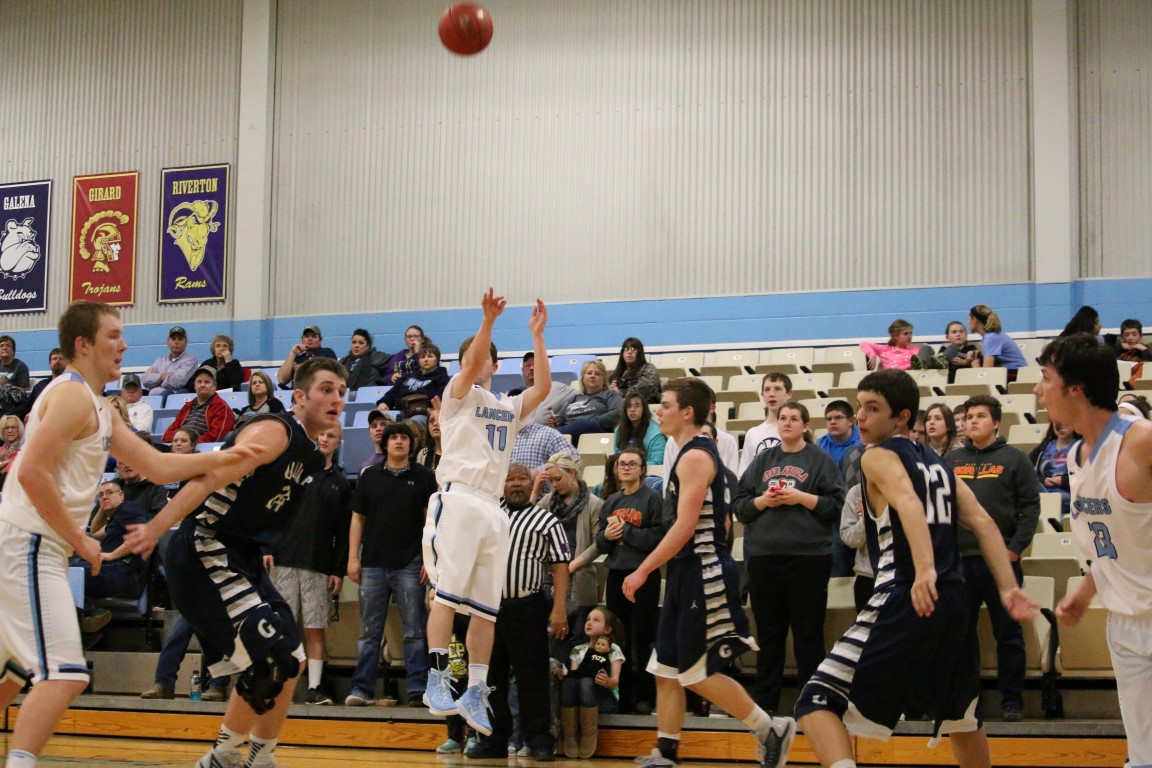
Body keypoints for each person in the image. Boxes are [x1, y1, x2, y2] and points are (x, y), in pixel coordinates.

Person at [0, 301, 251, 768]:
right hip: (28, 541)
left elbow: (157, 465)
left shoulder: (97, 405)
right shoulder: (71, 396)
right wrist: (82, 540)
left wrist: (227, 456)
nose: (124, 345)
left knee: (11, 675)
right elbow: (31, 472)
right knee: (65, 675)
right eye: (113, 336)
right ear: (83, 344)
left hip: (29, 543)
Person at [794, 369, 1036, 768]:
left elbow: (908, 502)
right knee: (964, 719)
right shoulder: (940, 464)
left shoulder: (876, 456)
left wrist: (924, 569)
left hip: (906, 592)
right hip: (953, 600)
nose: (861, 416)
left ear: (902, 417)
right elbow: (983, 522)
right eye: (859, 406)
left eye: (873, 408)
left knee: (815, 701)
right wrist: (1008, 588)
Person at [125, 356, 347, 768]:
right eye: (326, 389)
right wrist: (156, 527)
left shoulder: (312, 457)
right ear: (299, 396)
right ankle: (223, 758)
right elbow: (208, 477)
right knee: (269, 659)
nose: (337, 399)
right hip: (205, 547)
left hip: (241, 554)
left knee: (292, 661)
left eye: (342, 392)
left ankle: (259, 758)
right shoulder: (276, 432)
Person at [623, 377, 796, 768]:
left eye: (666, 405)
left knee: (696, 671)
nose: (658, 411)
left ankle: (769, 728)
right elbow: (722, 520)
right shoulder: (691, 453)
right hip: (688, 569)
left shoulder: (696, 456)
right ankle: (666, 753)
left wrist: (644, 569)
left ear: (688, 412)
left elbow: (686, 526)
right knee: (666, 669)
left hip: (702, 569)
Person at [421, 290, 552, 737]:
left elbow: (543, 389)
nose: (477, 363)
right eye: (470, 359)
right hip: (458, 498)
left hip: (493, 508)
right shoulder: (456, 395)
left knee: (486, 609)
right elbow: (472, 362)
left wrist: (537, 337)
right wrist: (488, 323)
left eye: (484, 358)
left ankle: (476, 688)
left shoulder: (507, 407)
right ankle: (437, 678)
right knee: (446, 595)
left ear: (496, 365)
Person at [1040, 334, 1152, 768]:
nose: (1039, 389)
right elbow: (1113, 542)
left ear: (1076, 389)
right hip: (1126, 624)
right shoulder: (1076, 457)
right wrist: (1085, 592)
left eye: (1046, 378)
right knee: (1143, 756)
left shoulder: (1140, 440)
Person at [733, 401, 845, 713]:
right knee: (769, 638)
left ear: (805, 426)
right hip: (765, 557)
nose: (787, 422)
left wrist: (801, 498)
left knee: (808, 637)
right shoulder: (763, 459)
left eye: (794, 418)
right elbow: (740, 506)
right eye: (783, 418)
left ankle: (812, 708)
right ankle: (765, 708)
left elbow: (836, 505)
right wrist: (763, 502)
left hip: (809, 558)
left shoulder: (819, 459)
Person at [463, 464, 570, 761]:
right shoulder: (488, 516)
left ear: (532, 483)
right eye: (510, 479)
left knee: (532, 678)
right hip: (488, 608)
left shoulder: (546, 520)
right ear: (502, 484)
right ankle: (493, 740)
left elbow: (560, 565)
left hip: (527, 607)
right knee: (490, 677)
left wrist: (559, 607)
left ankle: (540, 741)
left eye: (522, 478)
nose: (516, 484)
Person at [945, 394, 1040, 721]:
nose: (972, 421)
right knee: (960, 636)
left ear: (996, 422)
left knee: (1008, 635)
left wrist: (1014, 548)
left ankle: (1012, 700)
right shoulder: (951, 461)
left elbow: (1031, 508)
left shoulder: (1016, 459)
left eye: (980, 416)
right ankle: (967, 702)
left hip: (1001, 562)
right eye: (969, 416)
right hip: (959, 562)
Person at [346, 422, 437, 707]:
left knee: (415, 630)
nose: (399, 441)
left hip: (410, 562)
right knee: (368, 632)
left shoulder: (424, 477)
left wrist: (430, 559)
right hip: (372, 563)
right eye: (393, 437)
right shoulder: (369, 476)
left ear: (412, 444)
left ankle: (418, 688)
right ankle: (361, 689)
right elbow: (357, 518)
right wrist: (352, 557)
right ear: (385, 444)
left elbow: (432, 521)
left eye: (404, 438)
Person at [569, 445, 664, 713]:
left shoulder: (653, 500)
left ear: (642, 469)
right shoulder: (611, 502)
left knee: (643, 638)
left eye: (632, 464)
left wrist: (627, 532)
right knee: (616, 639)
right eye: (622, 464)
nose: (626, 468)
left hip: (644, 576)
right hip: (616, 576)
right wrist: (608, 537)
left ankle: (645, 697)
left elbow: (658, 538)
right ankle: (621, 696)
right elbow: (601, 543)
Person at [267, 424, 350, 705]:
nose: (324, 439)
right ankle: (281, 686)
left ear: (338, 443)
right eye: (321, 435)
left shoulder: (341, 483)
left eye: (330, 436)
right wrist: (267, 547)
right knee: (283, 627)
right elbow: (273, 511)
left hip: (318, 564)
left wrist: (338, 570)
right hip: (284, 560)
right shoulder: (294, 472)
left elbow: (343, 531)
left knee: (315, 628)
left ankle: (314, 688)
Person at [531, 452, 603, 645]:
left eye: (558, 479)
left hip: (579, 577)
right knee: (549, 639)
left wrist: (572, 565)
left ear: (572, 473)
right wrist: (535, 491)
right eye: (551, 480)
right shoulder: (548, 501)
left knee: (577, 639)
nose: (554, 484)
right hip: (549, 576)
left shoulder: (594, 504)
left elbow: (598, 544)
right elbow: (525, 522)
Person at [559, 608, 625, 759]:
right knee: (570, 683)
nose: (589, 622)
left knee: (586, 682)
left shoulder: (613, 649)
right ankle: (570, 735)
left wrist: (606, 681)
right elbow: (575, 677)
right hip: (580, 697)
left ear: (607, 629)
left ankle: (588, 735)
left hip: (604, 698)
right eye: (588, 619)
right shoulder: (577, 650)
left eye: (596, 620)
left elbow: (615, 681)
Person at [73, 479, 148, 601]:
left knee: (67, 573)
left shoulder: (128, 508)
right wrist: (103, 507)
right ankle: (87, 609)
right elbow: (95, 532)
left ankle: (88, 610)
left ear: (121, 495)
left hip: (124, 572)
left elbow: (141, 537)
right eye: (101, 495)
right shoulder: (118, 517)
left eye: (109, 492)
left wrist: (112, 555)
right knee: (67, 570)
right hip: (114, 570)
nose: (104, 497)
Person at [547, 360, 624, 438]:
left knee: (581, 424)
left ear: (604, 379)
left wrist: (595, 422)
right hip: (570, 431)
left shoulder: (610, 394)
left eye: (597, 374)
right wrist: (556, 421)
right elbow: (561, 417)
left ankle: (551, 435)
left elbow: (618, 412)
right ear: (583, 378)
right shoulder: (575, 398)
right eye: (589, 373)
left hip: (595, 431)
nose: (592, 376)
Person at [162, 366, 237, 444]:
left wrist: (188, 443)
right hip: (179, 446)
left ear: (214, 386)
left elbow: (215, 437)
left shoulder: (221, 408)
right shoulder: (187, 407)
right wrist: (178, 441)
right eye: (199, 382)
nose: (202, 385)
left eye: (207, 382)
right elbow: (167, 434)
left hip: (201, 449)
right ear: (195, 386)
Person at [738, 372, 791, 475]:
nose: (771, 394)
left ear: (788, 394)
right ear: (762, 395)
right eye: (767, 389)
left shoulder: (796, 430)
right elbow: (744, 473)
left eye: (777, 389)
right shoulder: (753, 433)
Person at [379, 343, 449, 418]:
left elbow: (440, 398)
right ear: (418, 360)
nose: (426, 360)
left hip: (425, 413)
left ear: (437, 360)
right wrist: (384, 403)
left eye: (430, 356)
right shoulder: (407, 376)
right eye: (422, 357)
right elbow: (392, 393)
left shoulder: (442, 377)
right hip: (401, 411)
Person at [1029, 421, 1077, 518]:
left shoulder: (1081, 447)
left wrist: (1062, 480)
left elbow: (1087, 479)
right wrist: (1043, 480)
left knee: (1054, 500)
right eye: (1058, 424)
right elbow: (1025, 469)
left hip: (1068, 495)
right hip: (1043, 491)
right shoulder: (1044, 447)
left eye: (1065, 422)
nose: (1061, 428)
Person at [512, 351, 575, 424]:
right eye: (528, 365)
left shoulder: (557, 389)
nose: (532, 368)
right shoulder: (514, 393)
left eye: (536, 365)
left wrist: (560, 420)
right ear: (522, 370)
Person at [968, 305, 1028, 379]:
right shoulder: (991, 336)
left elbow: (987, 372)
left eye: (968, 319)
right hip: (1015, 372)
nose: (968, 322)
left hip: (1015, 374)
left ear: (975, 320)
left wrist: (975, 366)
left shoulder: (990, 338)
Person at [141, 326, 198, 397]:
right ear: (168, 342)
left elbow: (178, 381)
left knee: (167, 392)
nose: (176, 342)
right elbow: (145, 380)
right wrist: (161, 376)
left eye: (180, 339)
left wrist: (155, 378)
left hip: (174, 397)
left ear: (186, 343)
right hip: (154, 398)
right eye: (173, 339)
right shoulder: (160, 360)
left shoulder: (190, 360)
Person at [614, 390, 667, 466]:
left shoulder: (657, 435)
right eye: (629, 406)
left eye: (637, 406)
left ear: (644, 409)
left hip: (649, 472)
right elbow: (617, 455)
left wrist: (634, 467)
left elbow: (657, 462)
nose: (632, 409)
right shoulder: (619, 430)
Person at [276, 324, 336, 388]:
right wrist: (293, 353)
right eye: (307, 336)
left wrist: (301, 368)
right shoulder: (296, 357)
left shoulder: (327, 352)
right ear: (302, 339)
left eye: (314, 336)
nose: (310, 339)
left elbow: (332, 375)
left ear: (320, 340)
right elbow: (282, 380)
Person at [509, 419, 577, 474]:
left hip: (540, 486)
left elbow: (573, 458)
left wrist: (538, 472)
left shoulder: (547, 434)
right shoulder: (503, 434)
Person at [859, 319, 927, 371]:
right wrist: (872, 354)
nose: (909, 337)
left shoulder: (914, 350)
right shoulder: (885, 349)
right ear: (895, 336)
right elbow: (864, 344)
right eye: (905, 334)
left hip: (907, 378)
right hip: (890, 378)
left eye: (910, 333)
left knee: (926, 349)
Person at [608, 337, 661, 403]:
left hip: (645, 405)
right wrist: (611, 389)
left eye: (634, 349)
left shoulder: (648, 368)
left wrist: (621, 392)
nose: (629, 352)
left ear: (640, 353)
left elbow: (644, 388)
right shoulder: (619, 373)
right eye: (626, 349)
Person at [18, 348, 65, 421]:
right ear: (49, 364)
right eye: (54, 359)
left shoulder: (72, 385)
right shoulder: (40, 386)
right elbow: (27, 406)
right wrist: (10, 415)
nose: (57, 361)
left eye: (61, 359)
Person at [817, 400, 861, 468]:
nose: (832, 422)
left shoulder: (864, 443)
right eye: (829, 419)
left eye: (838, 418)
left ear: (851, 421)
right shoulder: (819, 445)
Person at [0, 414, 23, 489]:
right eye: (6, 428)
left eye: (13, 427)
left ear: (19, 430)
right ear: (2, 431)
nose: (10, 431)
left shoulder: (23, 452)